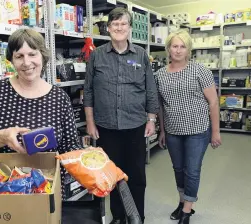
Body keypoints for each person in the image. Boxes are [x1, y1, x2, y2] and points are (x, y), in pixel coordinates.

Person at [0, 28, 81, 198]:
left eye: (32, 54)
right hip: (3, 190)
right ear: (11, 60)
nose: (26, 62)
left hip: (46, 189)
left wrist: (89, 159)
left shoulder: (59, 97)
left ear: (42, 56)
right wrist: (3, 137)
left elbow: (71, 146)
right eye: (19, 56)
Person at [83, 7, 159, 224]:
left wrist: (151, 119)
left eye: (123, 24)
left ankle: (138, 216)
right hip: (106, 126)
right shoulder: (97, 56)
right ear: (108, 28)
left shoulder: (141, 55)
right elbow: (88, 91)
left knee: (136, 175)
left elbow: (150, 89)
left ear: (130, 28)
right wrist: (89, 121)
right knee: (112, 175)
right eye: (114, 24)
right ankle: (118, 216)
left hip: (135, 124)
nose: (119, 28)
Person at [155, 30, 222, 224]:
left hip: (198, 130)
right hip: (173, 130)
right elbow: (160, 105)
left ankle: (186, 210)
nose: (178, 50)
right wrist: (163, 130)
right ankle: (182, 201)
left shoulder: (200, 70)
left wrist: (215, 131)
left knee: (191, 170)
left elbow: (213, 102)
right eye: (174, 46)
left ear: (188, 49)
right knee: (178, 169)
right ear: (168, 48)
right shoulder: (160, 74)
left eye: (182, 46)